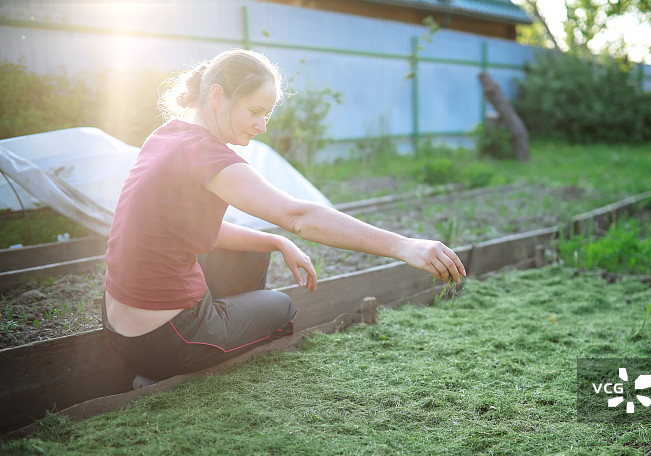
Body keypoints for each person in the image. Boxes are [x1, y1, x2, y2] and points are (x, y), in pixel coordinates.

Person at [103, 48, 466, 384]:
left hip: (119, 332)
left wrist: (276, 241)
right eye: (255, 111)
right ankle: (184, 370)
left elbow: (196, 232)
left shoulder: (167, 135)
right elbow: (299, 215)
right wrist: (405, 246)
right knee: (283, 309)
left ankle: (197, 344)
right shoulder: (208, 155)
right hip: (166, 339)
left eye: (267, 115)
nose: (262, 125)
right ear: (216, 97)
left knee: (255, 249)